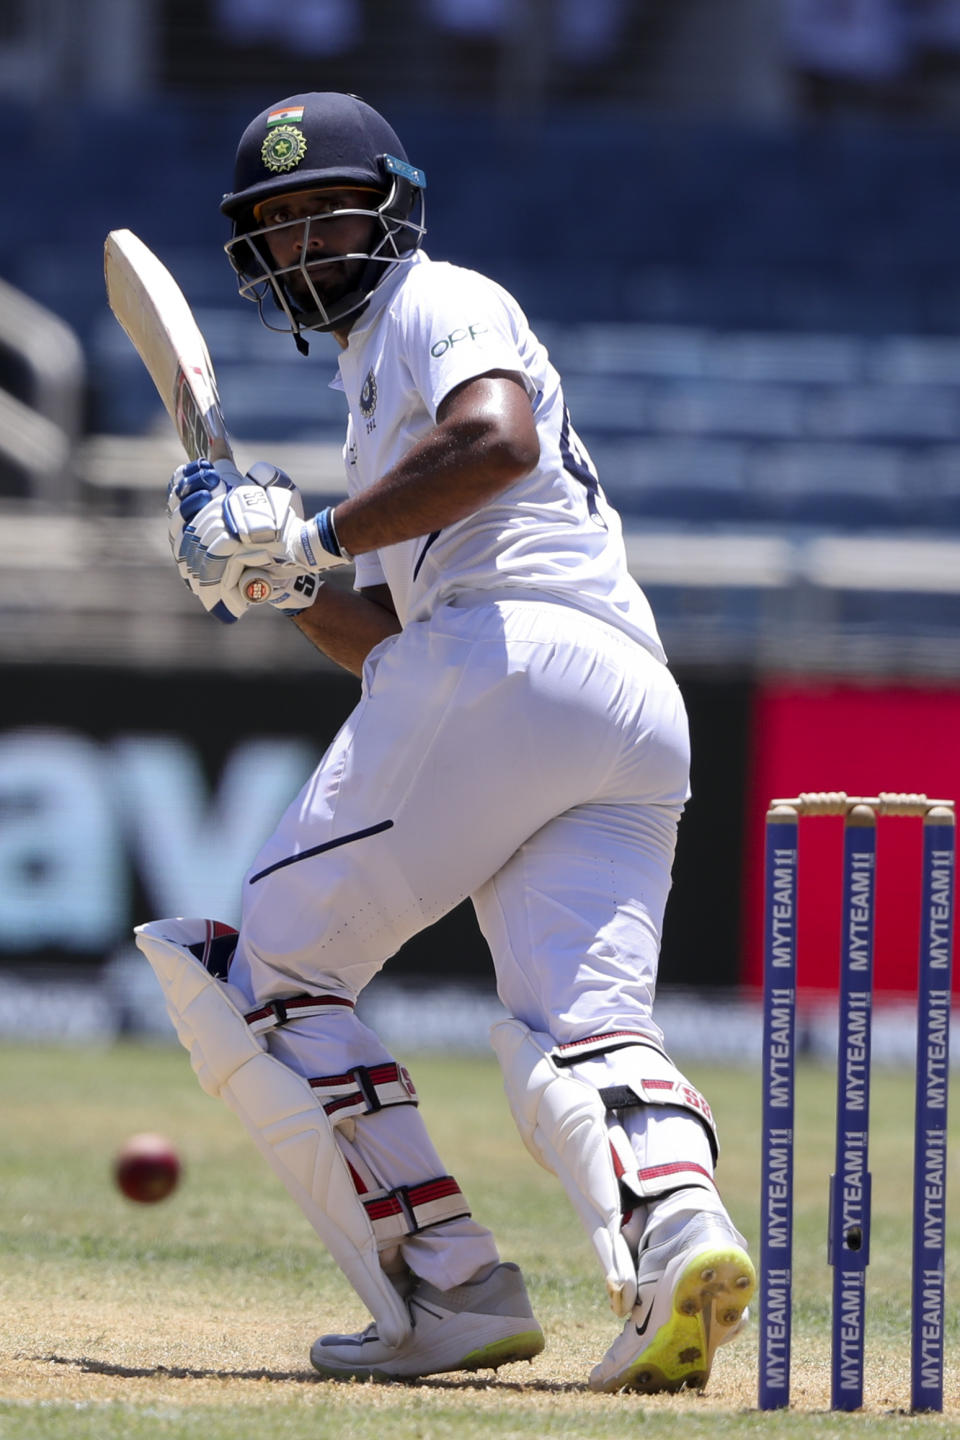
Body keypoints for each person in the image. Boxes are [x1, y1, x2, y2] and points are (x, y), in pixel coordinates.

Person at [138, 91, 755, 1391]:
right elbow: (388, 641)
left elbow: (498, 440)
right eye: (279, 223)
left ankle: (449, 1288)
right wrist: (280, 580)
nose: (303, 243)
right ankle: (681, 1235)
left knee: (269, 979)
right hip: (624, 708)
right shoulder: (375, 408)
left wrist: (304, 538)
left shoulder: (435, 304)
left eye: (325, 212)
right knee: (577, 1030)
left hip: (513, 663)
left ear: (391, 210)